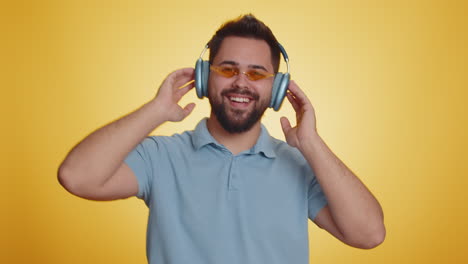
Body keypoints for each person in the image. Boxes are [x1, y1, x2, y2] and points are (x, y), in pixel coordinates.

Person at [58, 14, 385, 264]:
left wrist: (311, 143)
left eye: (257, 73)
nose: (241, 82)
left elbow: (369, 234)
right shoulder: (161, 157)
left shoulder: (301, 165)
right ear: (203, 77)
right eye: (228, 69)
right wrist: (156, 110)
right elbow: (76, 176)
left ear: (278, 89)